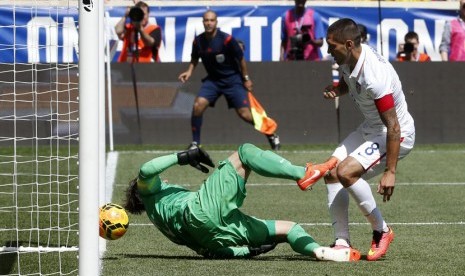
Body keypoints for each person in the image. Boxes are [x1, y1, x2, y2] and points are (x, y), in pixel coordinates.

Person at [298, 18, 415, 261]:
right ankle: (342, 242)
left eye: (332, 46)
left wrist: (391, 171)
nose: (328, 50)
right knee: (331, 172)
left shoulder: (374, 76)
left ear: (349, 44)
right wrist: (337, 90)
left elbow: (393, 126)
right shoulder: (347, 59)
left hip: (395, 134)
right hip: (371, 128)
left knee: (346, 172)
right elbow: (347, 84)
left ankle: (382, 230)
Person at [123, 143, 361, 261]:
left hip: (215, 237)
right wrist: (183, 157)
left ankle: (323, 252)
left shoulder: (161, 219)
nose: (160, 178)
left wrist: (244, 251)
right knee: (244, 152)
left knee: (290, 230)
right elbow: (146, 170)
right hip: (200, 212)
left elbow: (206, 251)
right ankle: (303, 173)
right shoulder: (150, 194)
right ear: (141, 193)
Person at [178, 10, 280, 150]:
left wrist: (246, 79)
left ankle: (270, 133)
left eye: (211, 20)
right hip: (213, 81)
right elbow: (194, 58)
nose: (209, 23)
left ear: (216, 22)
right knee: (198, 106)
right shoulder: (198, 41)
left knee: (244, 114)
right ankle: (196, 143)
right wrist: (189, 71)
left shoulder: (226, 39)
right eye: (206, 20)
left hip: (232, 80)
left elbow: (241, 59)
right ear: (203, 22)